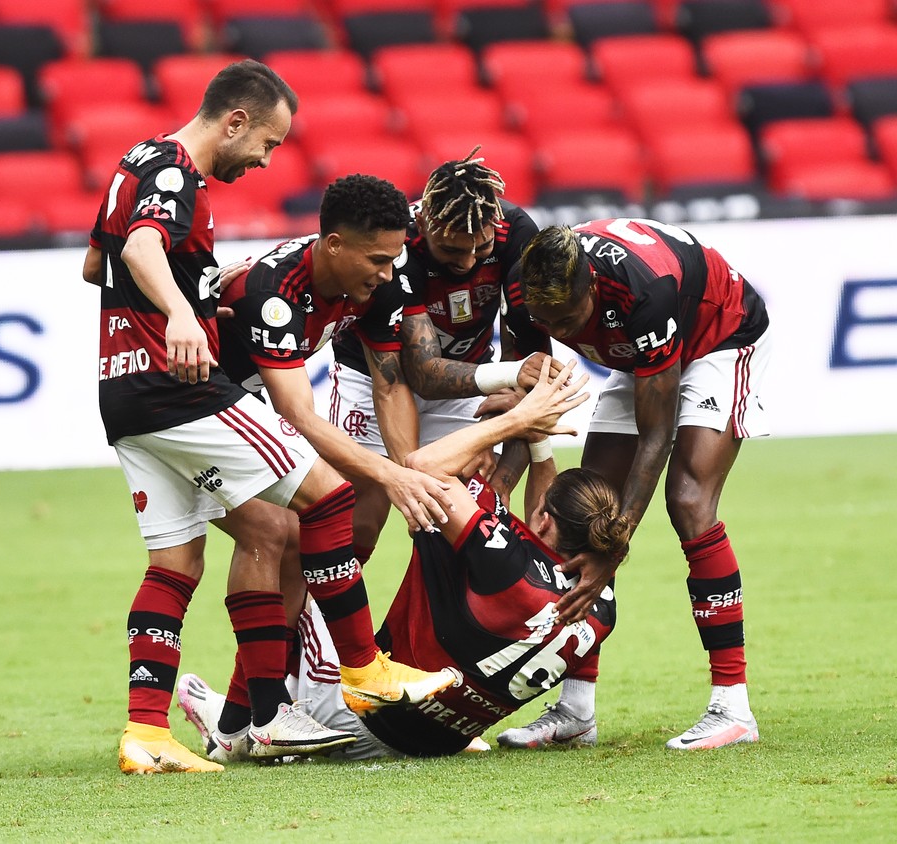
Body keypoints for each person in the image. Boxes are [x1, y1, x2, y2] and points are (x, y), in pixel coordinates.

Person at [82, 60, 456, 774]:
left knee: (183, 560)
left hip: (123, 391)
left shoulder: (133, 162)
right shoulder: (174, 174)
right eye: (269, 143)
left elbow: (95, 258)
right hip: (179, 387)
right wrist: (184, 310)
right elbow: (136, 245)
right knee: (330, 494)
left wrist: (180, 286)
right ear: (236, 120)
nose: (266, 158)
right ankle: (360, 672)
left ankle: (150, 734)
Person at [179, 358, 633, 760]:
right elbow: (535, 505)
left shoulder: (502, 559)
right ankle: (235, 721)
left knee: (314, 565)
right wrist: (537, 443)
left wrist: (513, 424)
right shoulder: (602, 600)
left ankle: (237, 724)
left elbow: (418, 467)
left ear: (545, 520)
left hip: (363, 716)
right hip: (445, 741)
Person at [177, 173, 477, 763]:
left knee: (297, 533)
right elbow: (295, 414)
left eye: (395, 259)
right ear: (333, 244)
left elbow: (390, 387)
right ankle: (282, 707)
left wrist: (406, 468)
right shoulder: (274, 290)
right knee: (283, 528)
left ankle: (240, 722)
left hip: (244, 403)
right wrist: (388, 477)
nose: (390, 274)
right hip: (189, 404)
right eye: (378, 259)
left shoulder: (375, 284)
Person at [499, 218, 771, 751]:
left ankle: (732, 707)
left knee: (689, 500)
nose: (557, 330)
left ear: (593, 290)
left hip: (720, 337)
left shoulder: (644, 291)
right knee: (582, 516)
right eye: (545, 319)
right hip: (640, 351)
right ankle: (576, 711)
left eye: (568, 318)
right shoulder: (525, 287)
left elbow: (656, 435)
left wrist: (614, 549)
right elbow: (530, 401)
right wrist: (504, 480)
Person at [330, 148, 554, 563]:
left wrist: (497, 434)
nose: (467, 262)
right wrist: (508, 377)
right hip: (376, 375)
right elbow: (423, 373)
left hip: (467, 374)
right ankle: (316, 620)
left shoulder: (516, 232)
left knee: (476, 514)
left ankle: (452, 625)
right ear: (425, 223)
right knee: (359, 517)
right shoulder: (400, 246)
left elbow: (531, 362)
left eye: (480, 248)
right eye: (451, 251)